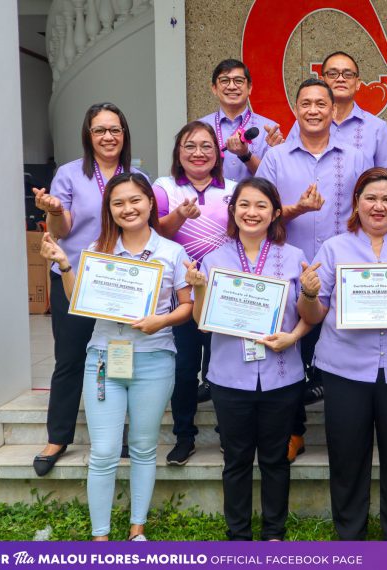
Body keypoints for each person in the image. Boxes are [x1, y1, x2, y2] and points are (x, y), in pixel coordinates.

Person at [39, 172, 193, 541]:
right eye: (118, 202)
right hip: (104, 360)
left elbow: (188, 307)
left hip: (154, 360)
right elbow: (80, 301)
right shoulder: (98, 248)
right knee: (105, 451)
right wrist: (64, 264)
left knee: (142, 447)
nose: (128, 209)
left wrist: (161, 320)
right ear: (109, 209)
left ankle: (137, 529)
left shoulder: (171, 251)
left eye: (135, 200)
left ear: (150, 203)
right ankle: (100, 537)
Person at [297, 168, 387, 540]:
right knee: (347, 458)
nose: (378, 206)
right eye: (371, 198)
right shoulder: (334, 248)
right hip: (346, 368)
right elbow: (313, 316)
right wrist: (311, 294)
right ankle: (350, 538)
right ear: (357, 203)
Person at [184, 177, 311, 541]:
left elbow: (309, 311)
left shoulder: (294, 257)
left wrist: (295, 336)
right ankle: (237, 535)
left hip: (281, 374)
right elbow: (201, 323)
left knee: (275, 459)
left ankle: (274, 533)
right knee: (236, 460)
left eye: (260, 205)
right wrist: (198, 286)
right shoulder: (213, 258)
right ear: (233, 210)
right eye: (244, 205)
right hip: (229, 376)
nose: (251, 212)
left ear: (274, 213)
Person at [256, 78, 370, 461]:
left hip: (345, 269)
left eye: (321, 103)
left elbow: (368, 209)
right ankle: (294, 432)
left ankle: (350, 432)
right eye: (306, 103)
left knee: (347, 348)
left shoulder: (355, 156)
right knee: (291, 352)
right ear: (296, 107)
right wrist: (297, 209)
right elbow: (263, 213)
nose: (314, 110)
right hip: (289, 265)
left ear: (332, 108)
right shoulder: (275, 157)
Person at [30, 102, 144, 476]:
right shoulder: (70, 174)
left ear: (124, 134)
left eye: (115, 129)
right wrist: (53, 209)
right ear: (88, 135)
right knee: (70, 358)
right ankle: (58, 436)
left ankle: (120, 432)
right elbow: (61, 230)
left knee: (120, 357)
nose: (108, 136)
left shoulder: (136, 174)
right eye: (100, 130)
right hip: (74, 275)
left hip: (121, 281)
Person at [152, 121, 237, 465]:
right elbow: (155, 232)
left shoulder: (234, 188)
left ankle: (226, 435)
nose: (198, 153)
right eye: (190, 146)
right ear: (178, 153)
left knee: (222, 368)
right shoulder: (163, 187)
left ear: (218, 155)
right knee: (184, 370)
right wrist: (179, 217)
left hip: (222, 296)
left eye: (206, 146)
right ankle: (184, 436)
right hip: (182, 296)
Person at [287, 52, 387, 168]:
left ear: (357, 83)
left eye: (348, 74)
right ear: (322, 81)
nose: (340, 79)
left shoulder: (377, 127)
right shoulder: (305, 123)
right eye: (333, 74)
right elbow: (289, 165)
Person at [198, 59, 283, 183]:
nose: (232, 86)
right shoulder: (200, 127)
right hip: (212, 201)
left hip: (253, 201)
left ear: (249, 88)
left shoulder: (269, 129)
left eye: (238, 81)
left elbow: (273, 179)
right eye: (224, 81)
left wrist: (245, 155)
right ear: (214, 88)